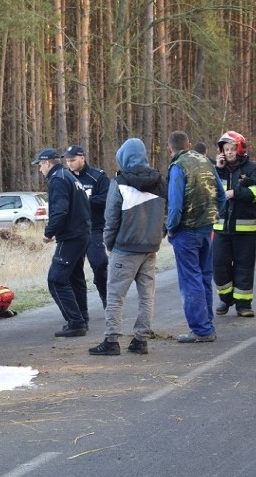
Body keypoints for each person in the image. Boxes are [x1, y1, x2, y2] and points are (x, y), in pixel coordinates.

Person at [89, 138, 167, 356]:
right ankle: (141, 340)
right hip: (150, 247)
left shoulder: (119, 182)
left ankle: (111, 340)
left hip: (125, 247)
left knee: (115, 295)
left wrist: (109, 243)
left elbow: (111, 216)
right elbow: (166, 212)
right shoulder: (160, 181)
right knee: (146, 295)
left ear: (123, 157)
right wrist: (159, 236)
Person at [166, 131, 226, 343]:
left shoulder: (178, 167)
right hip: (206, 229)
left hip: (186, 230)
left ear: (170, 149)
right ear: (189, 144)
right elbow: (221, 194)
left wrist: (171, 227)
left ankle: (201, 330)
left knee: (190, 278)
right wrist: (214, 215)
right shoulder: (206, 162)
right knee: (203, 276)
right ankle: (207, 324)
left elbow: (175, 204)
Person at [32, 147, 92, 337]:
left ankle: (75, 322)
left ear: (47, 163)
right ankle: (82, 316)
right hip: (82, 233)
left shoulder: (58, 180)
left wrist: (49, 233)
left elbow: (60, 210)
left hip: (72, 236)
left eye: (40, 165)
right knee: (75, 277)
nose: (40, 169)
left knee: (56, 280)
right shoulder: (70, 177)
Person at [213, 131, 256, 317]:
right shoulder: (216, 169)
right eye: (225, 149)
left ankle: (243, 305)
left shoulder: (253, 169)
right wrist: (218, 169)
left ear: (240, 149)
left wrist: (236, 193)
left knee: (244, 267)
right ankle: (227, 299)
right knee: (218, 265)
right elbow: (210, 191)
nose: (228, 152)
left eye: (231, 149)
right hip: (221, 228)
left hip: (245, 229)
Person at [64, 144, 110, 309]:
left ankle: (107, 298)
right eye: (68, 161)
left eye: (73, 160)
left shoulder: (97, 177)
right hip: (73, 231)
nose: (70, 163)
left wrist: (85, 201)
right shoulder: (65, 178)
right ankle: (80, 310)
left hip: (93, 228)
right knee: (73, 271)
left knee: (100, 263)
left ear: (82, 158)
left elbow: (108, 198)